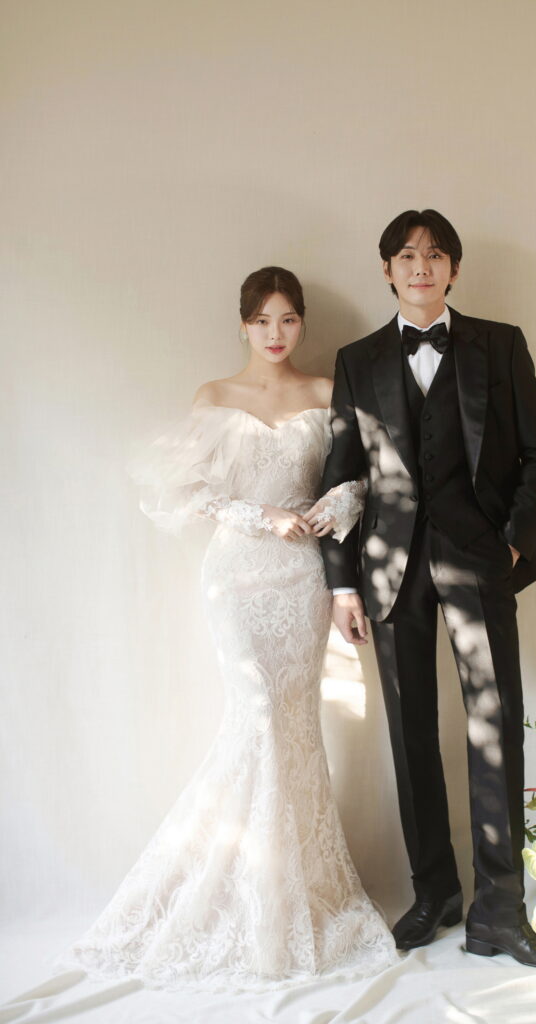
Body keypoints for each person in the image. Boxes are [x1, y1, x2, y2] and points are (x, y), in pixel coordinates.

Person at [56, 266, 397, 992]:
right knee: (259, 716)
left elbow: (362, 474)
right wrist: (259, 515)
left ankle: (296, 889)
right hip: (237, 575)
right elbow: (188, 490)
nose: (275, 334)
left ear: (301, 323)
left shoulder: (325, 391)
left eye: (288, 320)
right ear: (242, 324)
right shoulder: (214, 396)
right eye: (262, 321)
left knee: (295, 724)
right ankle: (234, 890)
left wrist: (334, 505)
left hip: (303, 577)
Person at [319, 210, 536, 969]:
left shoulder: (500, 344)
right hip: (389, 569)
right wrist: (342, 585)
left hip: (478, 560)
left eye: (435, 255)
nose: (421, 266)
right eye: (407, 256)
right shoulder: (358, 359)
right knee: (411, 736)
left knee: (494, 730)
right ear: (388, 270)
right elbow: (342, 479)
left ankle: (500, 912)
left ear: (454, 270)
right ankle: (435, 894)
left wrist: (511, 542)